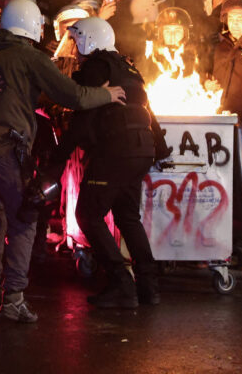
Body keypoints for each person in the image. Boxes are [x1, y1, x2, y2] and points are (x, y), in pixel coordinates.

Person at [0, 0, 124, 323]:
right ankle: (14, 299)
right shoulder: (29, 57)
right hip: (9, 149)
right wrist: (108, 93)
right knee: (23, 220)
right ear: (32, 25)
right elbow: (73, 96)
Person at [55, 17, 168, 308]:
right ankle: (149, 287)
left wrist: (55, 159)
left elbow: (83, 114)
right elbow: (148, 108)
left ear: (88, 40)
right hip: (141, 149)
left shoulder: (96, 67)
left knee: (89, 215)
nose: (75, 47)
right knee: (127, 216)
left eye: (76, 40)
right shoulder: (128, 66)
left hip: (116, 150)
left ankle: (121, 283)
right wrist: (161, 146)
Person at [211, 0, 242, 269]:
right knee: (221, 191)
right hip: (219, 132)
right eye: (232, 18)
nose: (237, 23)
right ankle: (217, 246)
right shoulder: (216, 48)